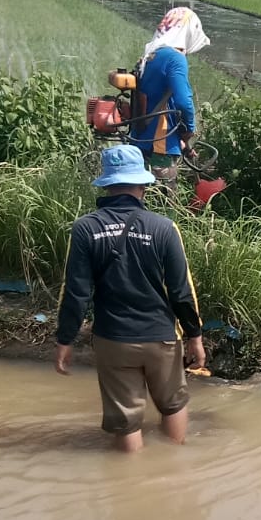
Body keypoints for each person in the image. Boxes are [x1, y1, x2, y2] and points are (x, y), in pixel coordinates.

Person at [55, 145, 206, 453]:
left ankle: (129, 484)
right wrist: (195, 336)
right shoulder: (164, 228)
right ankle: (175, 469)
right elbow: (181, 291)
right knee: (173, 404)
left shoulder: (85, 228)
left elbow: (76, 292)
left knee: (126, 418)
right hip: (162, 337)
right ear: (143, 185)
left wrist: (65, 340)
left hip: (114, 339)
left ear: (107, 185)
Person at [130, 6, 210, 181]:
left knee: (140, 197)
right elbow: (183, 101)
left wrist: (182, 142)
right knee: (164, 204)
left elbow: (153, 99)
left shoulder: (150, 55)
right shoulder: (175, 58)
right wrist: (189, 129)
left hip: (139, 141)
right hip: (161, 146)